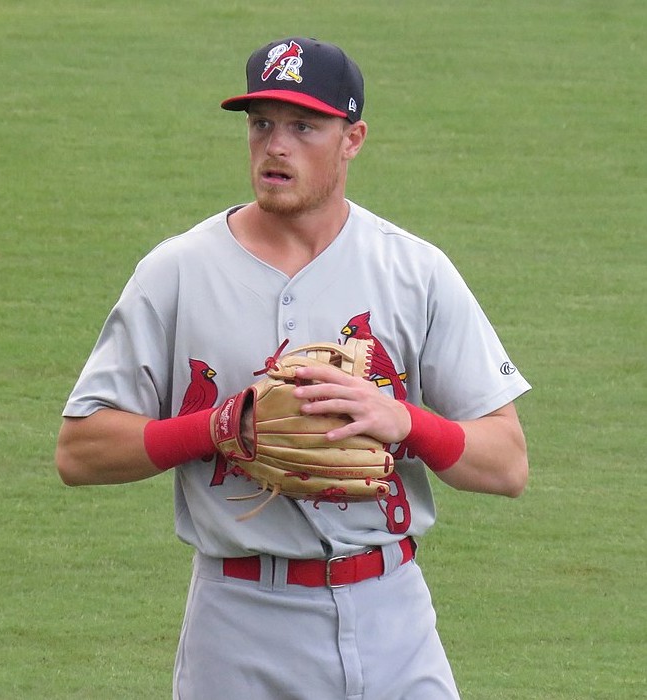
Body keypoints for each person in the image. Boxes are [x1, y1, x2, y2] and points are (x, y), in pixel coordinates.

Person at [56, 36, 531, 700]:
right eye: (261, 125)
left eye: (303, 127)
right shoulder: (177, 272)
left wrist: (404, 422)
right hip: (239, 625)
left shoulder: (413, 270)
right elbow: (79, 451)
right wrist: (215, 428)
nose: (275, 146)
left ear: (352, 139)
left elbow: (507, 464)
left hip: (393, 616)